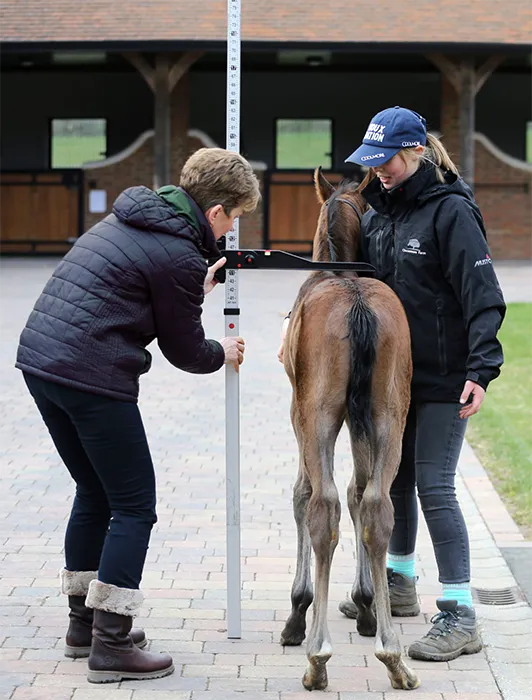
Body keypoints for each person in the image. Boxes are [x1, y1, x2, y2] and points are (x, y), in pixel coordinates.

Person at [16, 147, 260, 683]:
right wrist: (225, 352)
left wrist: (188, 292)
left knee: (94, 490)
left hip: (41, 364)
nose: (229, 233)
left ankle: (84, 625)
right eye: (235, 219)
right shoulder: (179, 255)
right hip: (89, 375)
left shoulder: (129, 218)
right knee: (135, 505)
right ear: (216, 211)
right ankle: (112, 644)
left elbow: (132, 291)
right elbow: (186, 352)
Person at [278, 107, 506, 662]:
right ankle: (398, 584)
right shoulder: (380, 214)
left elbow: (483, 295)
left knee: (434, 486)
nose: (377, 171)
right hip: (388, 376)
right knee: (390, 481)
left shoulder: (450, 213)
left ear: (417, 154)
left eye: (387, 161)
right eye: (371, 162)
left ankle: (459, 613)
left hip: (444, 377)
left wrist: (480, 371)